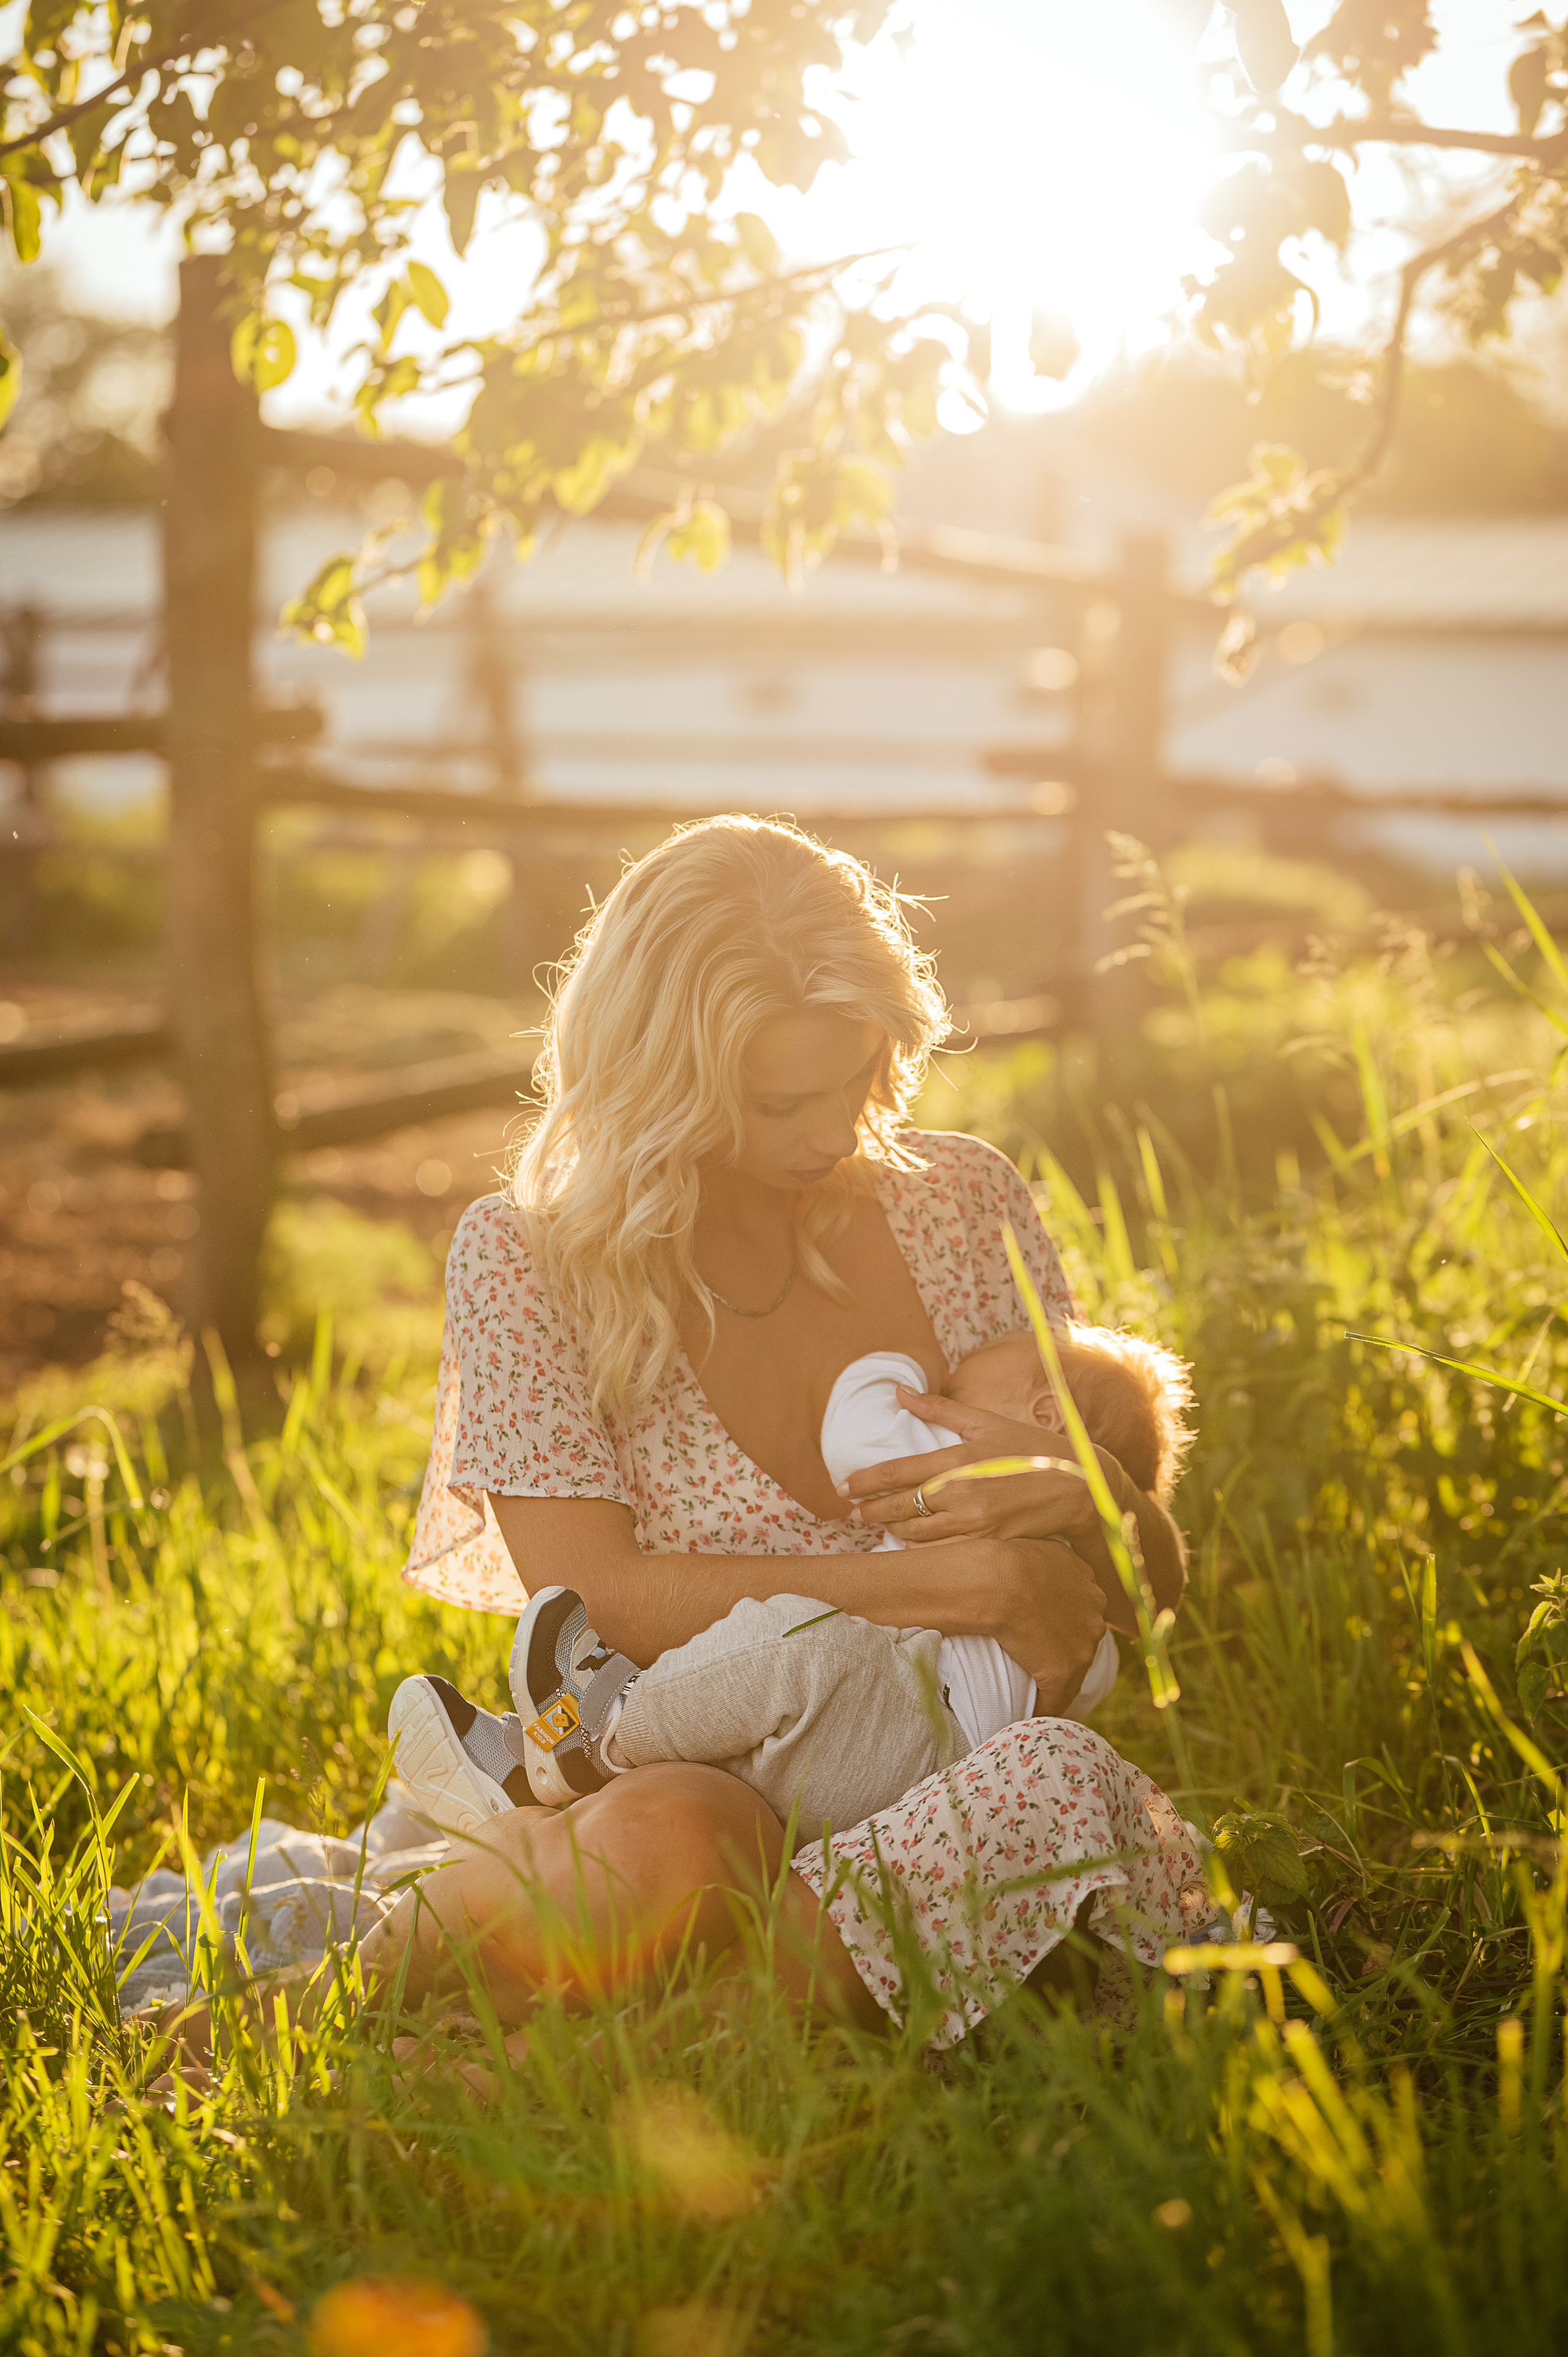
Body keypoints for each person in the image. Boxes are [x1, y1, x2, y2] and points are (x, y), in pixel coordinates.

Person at [375, 816, 1205, 2051]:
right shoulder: (528, 1259)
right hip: (681, 1766)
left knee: (1057, 1785)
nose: (831, 1131)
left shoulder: (958, 1201)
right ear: (658, 1080)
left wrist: (1087, 1507)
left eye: (859, 1074)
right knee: (684, 1842)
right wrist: (944, 1580)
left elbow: (1142, 1589)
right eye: (777, 1101)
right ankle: (374, 1962)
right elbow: (587, 1594)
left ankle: (694, 2024)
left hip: (939, 1747)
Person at [394, 1320, 1191, 1835]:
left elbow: (858, 1436)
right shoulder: (1077, 1600)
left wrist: (899, 1364)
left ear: (1041, 1420)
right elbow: (1083, 1676)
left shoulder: (1011, 1522)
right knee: (792, 1657)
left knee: (805, 1641)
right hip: (875, 1770)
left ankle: (601, 1734)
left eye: (954, 1393)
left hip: (919, 1748)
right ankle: (536, 1764)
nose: (937, 1398)